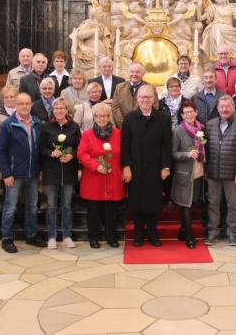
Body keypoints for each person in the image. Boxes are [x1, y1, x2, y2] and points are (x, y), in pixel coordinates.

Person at [121, 85, 173, 247]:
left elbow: (166, 145)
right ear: (137, 98)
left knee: (153, 200)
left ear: (154, 99)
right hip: (135, 167)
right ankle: (138, 233)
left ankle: (152, 232)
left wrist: (166, 166)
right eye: (142, 97)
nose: (145, 100)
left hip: (155, 167)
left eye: (148, 97)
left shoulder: (163, 118)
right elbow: (125, 145)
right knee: (136, 201)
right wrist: (126, 166)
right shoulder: (129, 118)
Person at [0, 93, 44, 253]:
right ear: (15, 105)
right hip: (14, 174)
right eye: (21, 103)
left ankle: (31, 235)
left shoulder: (37, 123)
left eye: (27, 103)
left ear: (31, 105)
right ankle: (7, 238)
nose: (25, 106)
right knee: (10, 207)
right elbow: (1, 151)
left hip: (32, 174)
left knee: (32, 207)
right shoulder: (8, 124)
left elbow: (38, 149)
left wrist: (39, 171)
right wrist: (6, 173)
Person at [204, 95, 236, 246]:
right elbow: (205, 149)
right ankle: (212, 233)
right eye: (221, 107)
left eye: (227, 107)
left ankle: (232, 234)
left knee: (233, 204)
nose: (224, 109)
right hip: (213, 173)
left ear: (233, 108)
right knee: (213, 204)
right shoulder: (210, 124)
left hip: (232, 174)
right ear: (218, 109)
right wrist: (205, 169)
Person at [78, 102, 125, 248]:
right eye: (98, 116)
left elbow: (124, 154)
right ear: (94, 117)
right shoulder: (87, 135)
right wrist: (97, 166)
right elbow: (81, 154)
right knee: (94, 211)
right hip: (94, 178)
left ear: (109, 116)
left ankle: (111, 237)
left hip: (113, 177)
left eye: (104, 116)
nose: (101, 118)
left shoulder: (118, 134)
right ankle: (94, 238)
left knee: (111, 211)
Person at [40, 98, 81, 249]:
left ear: (67, 109)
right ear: (52, 110)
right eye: (56, 108)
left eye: (62, 108)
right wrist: (52, 153)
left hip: (69, 171)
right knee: (51, 205)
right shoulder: (46, 127)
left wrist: (71, 155)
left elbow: (79, 147)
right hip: (51, 171)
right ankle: (51, 236)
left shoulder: (74, 127)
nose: (58, 111)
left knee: (66, 205)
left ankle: (67, 235)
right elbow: (41, 149)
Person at [171, 100, 206, 249]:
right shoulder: (178, 130)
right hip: (185, 173)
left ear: (196, 112)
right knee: (186, 205)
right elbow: (172, 153)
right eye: (186, 112)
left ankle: (183, 229)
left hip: (199, 172)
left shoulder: (202, 128)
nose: (189, 114)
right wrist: (187, 154)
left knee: (193, 203)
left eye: (191, 111)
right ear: (182, 115)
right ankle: (190, 236)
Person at [0, 85, 19, 217]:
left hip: (20, 155)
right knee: (7, 186)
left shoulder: (21, 111)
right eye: (7, 97)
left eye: (12, 96)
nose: (9, 99)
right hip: (5, 154)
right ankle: (7, 216)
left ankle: (18, 215)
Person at [112, 62, 158, 127]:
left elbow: (154, 106)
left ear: (143, 74)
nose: (134, 74)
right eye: (132, 71)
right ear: (128, 72)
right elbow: (115, 107)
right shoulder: (119, 88)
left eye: (137, 72)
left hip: (144, 127)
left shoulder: (151, 88)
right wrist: (124, 125)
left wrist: (141, 125)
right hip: (123, 127)